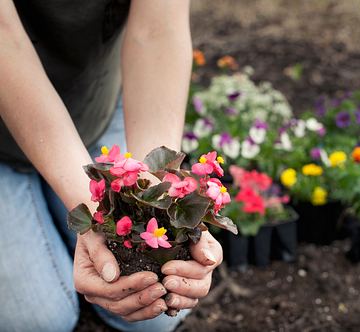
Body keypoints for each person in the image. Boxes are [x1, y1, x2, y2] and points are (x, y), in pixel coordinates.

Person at [0, 1, 223, 331]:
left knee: (154, 311)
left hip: (90, 101)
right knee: (38, 322)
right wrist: (96, 209)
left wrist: (158, 192)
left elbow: (156, 31)